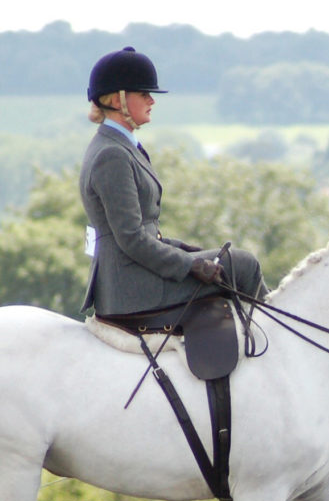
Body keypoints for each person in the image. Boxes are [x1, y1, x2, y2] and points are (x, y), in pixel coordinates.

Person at [79, 46, 268, 318]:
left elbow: (145, 232)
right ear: (119, 100)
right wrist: (189, 265)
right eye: (144, 94)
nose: (151, 101)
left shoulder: (119, 146)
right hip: (131, 286)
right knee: (242, 264)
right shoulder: (112, 154)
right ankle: (274, 347)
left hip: (135, 273)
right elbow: (131, 238)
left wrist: (183, 248)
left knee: (228, 261)